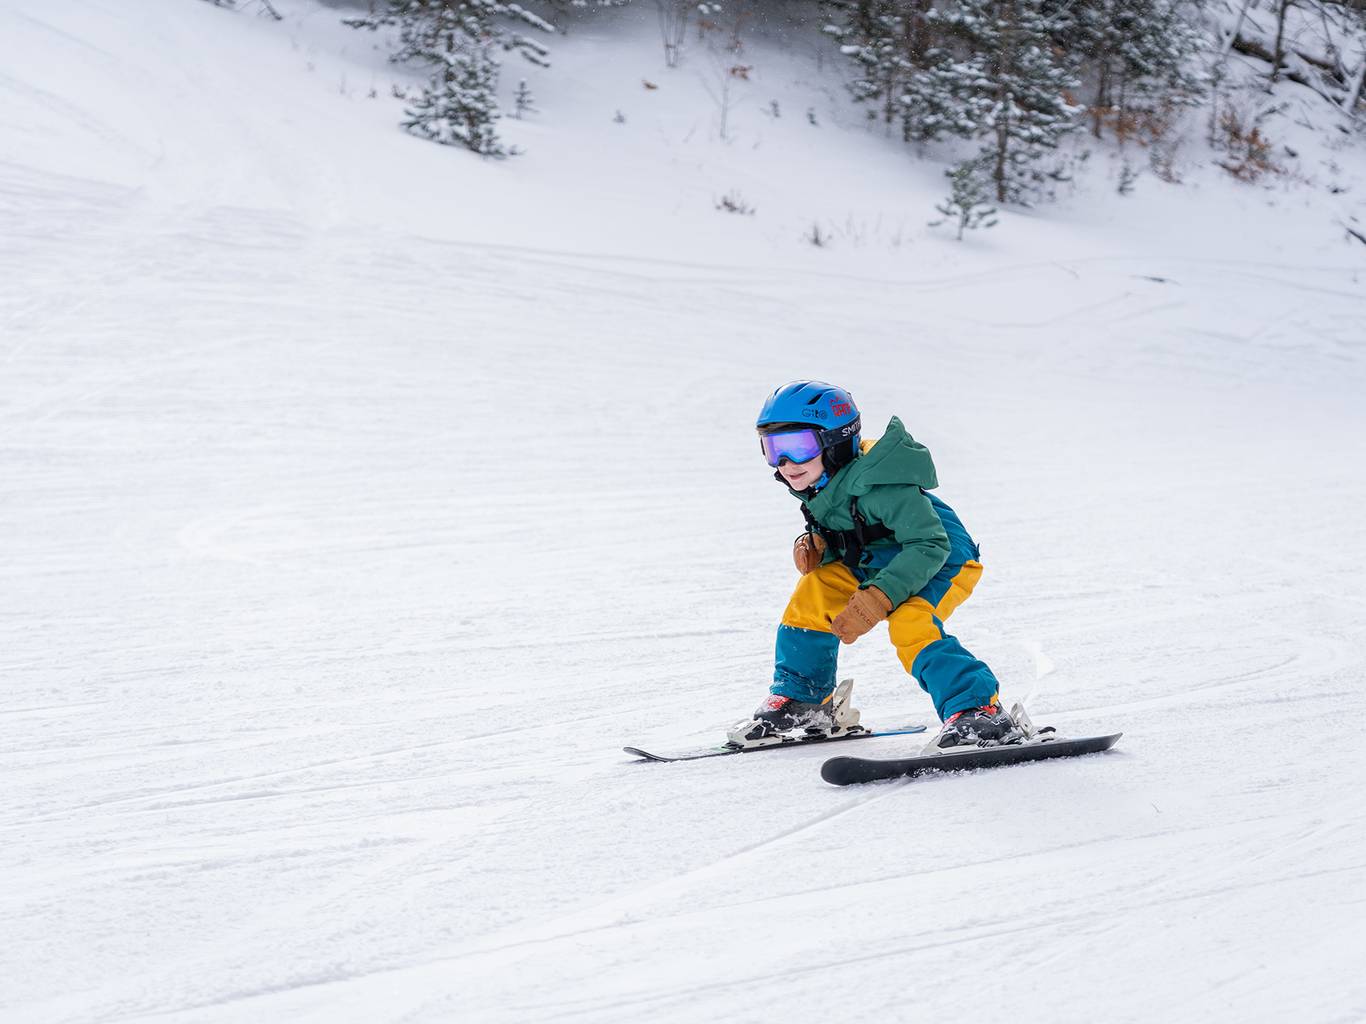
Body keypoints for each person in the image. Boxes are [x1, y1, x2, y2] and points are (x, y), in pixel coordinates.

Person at [742, 380, 1021, 749]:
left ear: (836, 442)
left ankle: (979, 711)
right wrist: (822, 547)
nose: (786, 463)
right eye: (773, 448)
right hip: (878, 560)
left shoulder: (884, 486)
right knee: (813, 594)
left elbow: (929, 543)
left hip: (941, 560)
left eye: (798, 446)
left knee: (911, 622)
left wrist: (880, 597)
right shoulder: (821, 482)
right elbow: (857, 530)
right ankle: (804, 698)